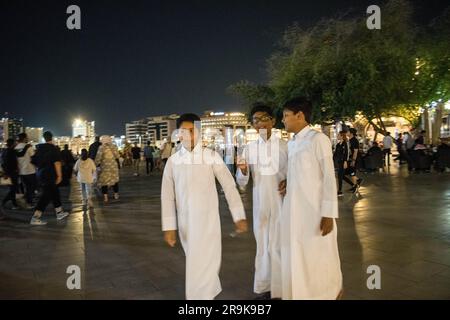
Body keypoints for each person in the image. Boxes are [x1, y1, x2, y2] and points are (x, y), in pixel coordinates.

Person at [161, 113, 248, 300]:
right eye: (184, 131)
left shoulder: (211, 156)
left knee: (202, 264)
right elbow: (167, 197)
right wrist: (169, 227)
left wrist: (238, 215)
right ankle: (206, 294)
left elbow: (229, 186)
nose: (189, 135)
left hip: (209, 222)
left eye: (192, 131)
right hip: (186, 224)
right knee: (199, 264)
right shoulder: (173, 162)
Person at [279, 97, 342, 300]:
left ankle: (331, 294)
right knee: (299, 255)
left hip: (315, 212)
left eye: (286, 116)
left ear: (300, 115)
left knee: (320, 256)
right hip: (295, 212)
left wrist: (328, 214)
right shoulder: (293, 143)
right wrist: (289, 181)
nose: (284, 120)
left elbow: (329, 178)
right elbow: (302, 173)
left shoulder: (318, 140)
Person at [235, 104, 287, 299]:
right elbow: (242, 182)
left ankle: (283, 287)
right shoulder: (249, 148)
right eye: (255, 120)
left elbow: (296, 174)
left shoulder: (285, 147)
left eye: (264, 118)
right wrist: (242, 170)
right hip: (261, 204)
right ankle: (266, 287)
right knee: (263, 246)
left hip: (282, 202)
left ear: (273, 121)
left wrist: (289, 181)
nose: (260, 123)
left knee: (280, 245)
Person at [29, 131, 69, 225]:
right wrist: (59, 176)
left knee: (54, 193)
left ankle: (59, 212)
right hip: (50, 175)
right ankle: (35, 217)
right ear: (52, 138)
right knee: (46, 196)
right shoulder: (53, 149)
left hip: (41, 174)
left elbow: (33, 161)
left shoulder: (39, 148)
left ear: (44, 138)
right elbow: (57, 163)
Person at [95, 135, 120, 203]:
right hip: (113, 167)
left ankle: (106, 197)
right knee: (115, 181)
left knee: (104, 182)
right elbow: (117, 156)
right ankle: (116, 194)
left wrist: (96, 164)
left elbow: (98, 158)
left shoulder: (101, 147)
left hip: (105, 167)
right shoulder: (114, 147)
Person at [15, 133, 36, 209]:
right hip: (30, 170)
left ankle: (27, 200)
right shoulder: (28, 147)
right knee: (31, 187)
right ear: (24, 138)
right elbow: (33, 157)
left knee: (26, 187)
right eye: (26, 137)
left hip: (21, 171)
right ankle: (29, 202)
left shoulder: (15, 148)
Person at [333, 130, 354, 197]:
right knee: (342, 176)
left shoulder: (345, 143)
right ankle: (354, 185)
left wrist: (345, 162)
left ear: (342, 136)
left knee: (340, 176)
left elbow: (346, 153)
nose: (337, 136)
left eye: (338, 135)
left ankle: (340, 191)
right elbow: (335, 154)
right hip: (339, 162)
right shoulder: (338, 144)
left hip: (343, 162)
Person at [1, 139, 19, 210]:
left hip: (8, 172)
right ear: (12, 144)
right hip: (13, 173)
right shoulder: (13, 152)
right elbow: (14, 163)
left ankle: (14, 204)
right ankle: (5, 201)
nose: (16, 143)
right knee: (13, 189)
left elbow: (3, 163)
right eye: (15, 142)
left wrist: (5, 173)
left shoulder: (4, 151)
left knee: (13, 189)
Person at [348, 128, 363, 192]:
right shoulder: (351, 140)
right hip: (352, 158)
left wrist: (353, 160)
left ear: (351, 133)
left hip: (355, 158)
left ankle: (355, 186)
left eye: (348, 132)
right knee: (351, 172)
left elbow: (355, 151)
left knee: (352, 172)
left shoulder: (354, 140)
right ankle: (357, 181)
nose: (347, 133)